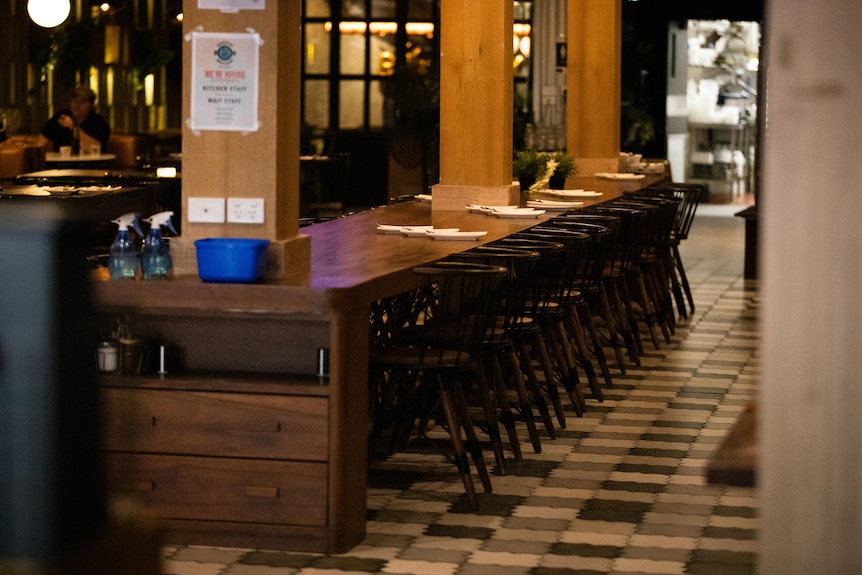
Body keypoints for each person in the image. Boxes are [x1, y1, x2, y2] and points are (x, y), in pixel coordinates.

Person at [37, 85, 110, 152]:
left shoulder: (99, 123)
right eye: (74, 100)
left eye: (83, 102)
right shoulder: (61, 117)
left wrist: (74, 128)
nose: (77, 104)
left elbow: (95, 149)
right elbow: (40, 143)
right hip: (60, 164)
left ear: (91, 106)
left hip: (88, 165)